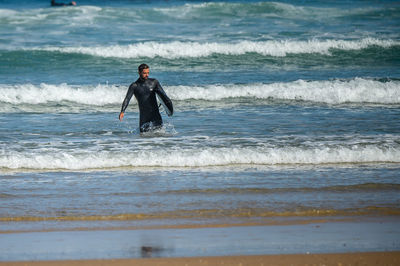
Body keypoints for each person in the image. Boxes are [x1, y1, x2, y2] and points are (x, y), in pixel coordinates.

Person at [119, 64, 173, 133]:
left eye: (148, 73)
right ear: (139, 72)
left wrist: (169, 107)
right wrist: (122, 111)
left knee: (160, 136)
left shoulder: (154, 82)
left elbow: (163, 95)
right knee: (143, 139)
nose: (147, 75)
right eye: (144, 73)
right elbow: (127, 99)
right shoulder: (134, 86)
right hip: (144, 117)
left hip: (155, 115)